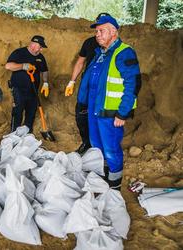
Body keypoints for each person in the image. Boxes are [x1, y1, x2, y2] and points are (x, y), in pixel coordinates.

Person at [75, 14, 142, 190]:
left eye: (101, 30)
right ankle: (103, 179)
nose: (97, 34)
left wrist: (123, 112)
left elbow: (133, 83)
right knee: (97, 149)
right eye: (96, 31)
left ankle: (114, 188)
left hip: (111, 114)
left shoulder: (124, 52)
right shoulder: (100, 54)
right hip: (95, 111)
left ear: (113, 31)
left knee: (111, 151)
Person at [65, 13, 111, 155]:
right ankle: (86, 142)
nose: (98, 32)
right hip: (87, 84)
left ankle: (101, 149)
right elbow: (80, 62)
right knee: (81, 114)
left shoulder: (115, 46)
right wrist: (72, 81)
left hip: (103, 87)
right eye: (97, 28)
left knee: (100, 117)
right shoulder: (89, 42)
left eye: (102, 28)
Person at [5, 35, 49, 133]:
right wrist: (23, 66)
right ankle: (14, 134)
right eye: (40, 47)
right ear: (33, 45)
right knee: (18, 110)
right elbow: (8, 66)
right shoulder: (19, 53)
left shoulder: (40, 57)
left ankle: (27, 134)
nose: (41, 49)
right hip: (18, 88)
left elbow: (44, 70)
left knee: (31, 112)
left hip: (33, 90)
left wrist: (45, 82)